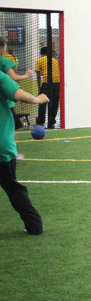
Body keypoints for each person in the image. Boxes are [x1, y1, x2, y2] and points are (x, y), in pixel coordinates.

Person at [0, 36, 48, 235]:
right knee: (13, 188)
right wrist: (37, 100)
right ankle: (34, 225)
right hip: (2, 149)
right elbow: (18, 94)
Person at [34, 46, 60, 129]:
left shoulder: (39, 60)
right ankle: (52, 122)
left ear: (41, 54)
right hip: (56, 84)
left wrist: (39, 88)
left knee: (42, 103)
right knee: (54, 103)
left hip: (46, 84)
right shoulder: (55, 60)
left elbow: (38, 75)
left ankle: (41, 122)